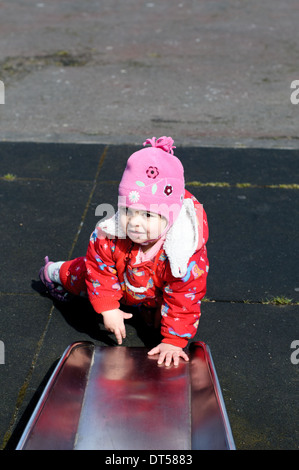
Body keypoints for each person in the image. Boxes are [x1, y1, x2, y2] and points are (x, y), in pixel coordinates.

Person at [39, 137, 209, 366]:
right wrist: (108, 307)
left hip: (152, 289)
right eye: (129, 211)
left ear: (171, 215)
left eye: (148, 215)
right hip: (120, 279)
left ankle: (149, 311)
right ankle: (53, 273)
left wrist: (174, 341)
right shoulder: (110, 236)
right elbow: (100, 271)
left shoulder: (184, 255)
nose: (135, 223)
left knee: (164, 316)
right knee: (82, 273)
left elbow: (184, 299)